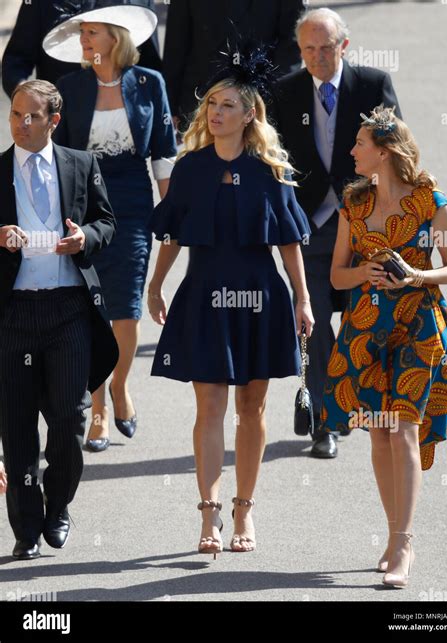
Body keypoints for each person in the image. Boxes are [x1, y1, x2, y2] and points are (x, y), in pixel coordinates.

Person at [147, 52, 314, 557]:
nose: (216, 112)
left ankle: (244, 509)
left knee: (252, 407)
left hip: (261, 295)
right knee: (210, 406)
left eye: (229, 105)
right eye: (212, 103)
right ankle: (208, 513)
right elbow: (173, 233)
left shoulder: (270, 170)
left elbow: (289, 241)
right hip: (204, 292)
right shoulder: (191, 168)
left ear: (249, 116)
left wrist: (303, 299)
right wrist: (156, 285)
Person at [320, 105, 447, 587]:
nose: (352, 151)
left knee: (403, 427)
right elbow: (338, 273)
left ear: (383, 152)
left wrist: (418, 274)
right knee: (379, 431)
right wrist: (366, 272)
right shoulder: (353, 204)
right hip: (366, 327)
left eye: (360, 144)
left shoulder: (430, 200)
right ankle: (392, 534)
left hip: (420, 325)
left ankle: (404, 544)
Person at [270, 8, 401, 459]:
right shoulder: (285, 91)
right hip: (309, 229)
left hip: (362, 228)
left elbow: (396, 151)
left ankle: (359, 402)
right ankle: (325, 419)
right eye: (309, 49)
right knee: (311, 319)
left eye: (326, 48)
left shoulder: (371, 85)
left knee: (360, 321)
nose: (318, 57)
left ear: (343, 45)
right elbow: (273, 157)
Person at [46, 3, 177, 451]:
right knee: (91, 306)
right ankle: (97, 405)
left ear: (115, 38)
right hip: (82, 205)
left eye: (93, 32)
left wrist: (171, 207)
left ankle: (120, 385)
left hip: (134, 203)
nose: (84, 39)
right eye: (82, 32)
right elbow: (56, 156)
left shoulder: (150, 84)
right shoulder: (69, 88)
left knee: (124, 306)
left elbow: (162, 150)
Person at [0, 79, 118, 560]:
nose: (22, 124)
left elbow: (107, 222)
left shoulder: (81, 164)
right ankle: (26, 528)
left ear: (54, 119)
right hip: (13, 312)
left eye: (33, 116)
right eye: (15, 115)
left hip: (69, 307)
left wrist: (84, 238)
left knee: (69, 419)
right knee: (17, 425)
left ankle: (59, 503)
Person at [162, 0, 305, 129]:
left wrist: (274, 98)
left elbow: (290, 47)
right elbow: (176, 44)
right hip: (200, 102)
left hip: (261, 104)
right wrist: (170, 106)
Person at [2, 0, 162, 98]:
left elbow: (150, 63)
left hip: (124, 125)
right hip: (61, 126)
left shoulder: (138, 3)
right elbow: (17, 59)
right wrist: (26, 95)